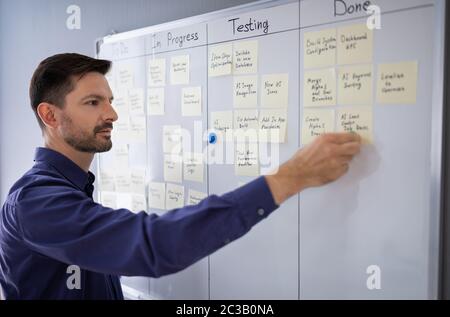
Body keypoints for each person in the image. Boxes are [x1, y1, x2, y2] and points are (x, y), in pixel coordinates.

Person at [0, 53, 361, 299]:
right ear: (50, 115)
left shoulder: (73, 189)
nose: (112, 113)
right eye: (93, 102)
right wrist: (288, 178)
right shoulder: (36, 201)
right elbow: (152, 245)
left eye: (109, 100)